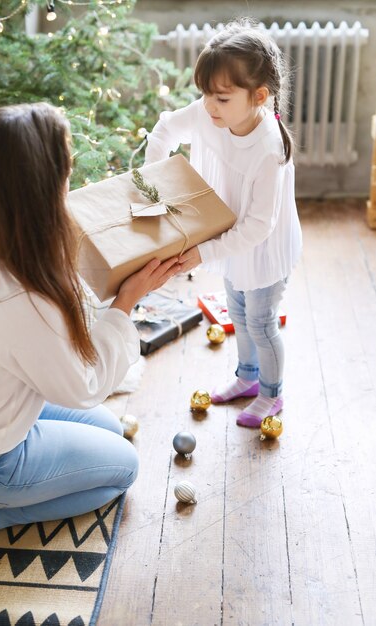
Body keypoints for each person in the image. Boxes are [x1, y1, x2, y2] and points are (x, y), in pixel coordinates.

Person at [0, 102, 180, 533]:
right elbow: (84, 385)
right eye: (66, 169)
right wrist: (126, 302)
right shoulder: (18, 296)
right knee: (123, 467)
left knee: (110, 429)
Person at [145, 19, 302, 428]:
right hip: (228, 238)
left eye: (221, 97)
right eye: (205, 95)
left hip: (262, 246)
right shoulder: (207, 113)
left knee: (261, 322)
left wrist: (200, 252)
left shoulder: (269, 150)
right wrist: (153, 183)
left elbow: (256, 228)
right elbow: (164, 131)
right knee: (236, 308)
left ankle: (272, 393)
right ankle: (248, 379)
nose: (209, 106)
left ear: (259, 97)